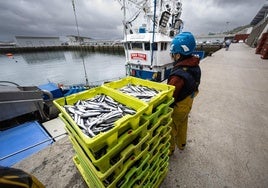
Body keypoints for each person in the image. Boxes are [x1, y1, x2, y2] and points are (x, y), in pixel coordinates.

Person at [167, 32, 201, 155]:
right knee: (183, 123)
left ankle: (169, 150)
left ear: (178, 55)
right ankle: (181, 144)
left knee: (171, 127)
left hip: (179, 107)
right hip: (188, 102)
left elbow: (171, 96)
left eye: (173, 54)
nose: (172, 56)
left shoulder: (177, 76)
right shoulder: (194, 65)